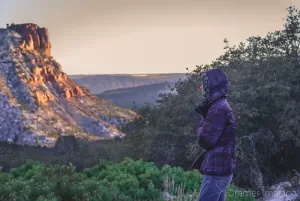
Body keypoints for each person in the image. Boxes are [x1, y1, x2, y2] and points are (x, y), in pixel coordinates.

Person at [192, 68, 236, 201]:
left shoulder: (217, 109)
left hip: (217, 173)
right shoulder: (220, 105)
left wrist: (202, 123)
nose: (201, 87)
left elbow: (205, 140)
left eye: (204, 84)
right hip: (222, 170)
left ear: (212, 86)